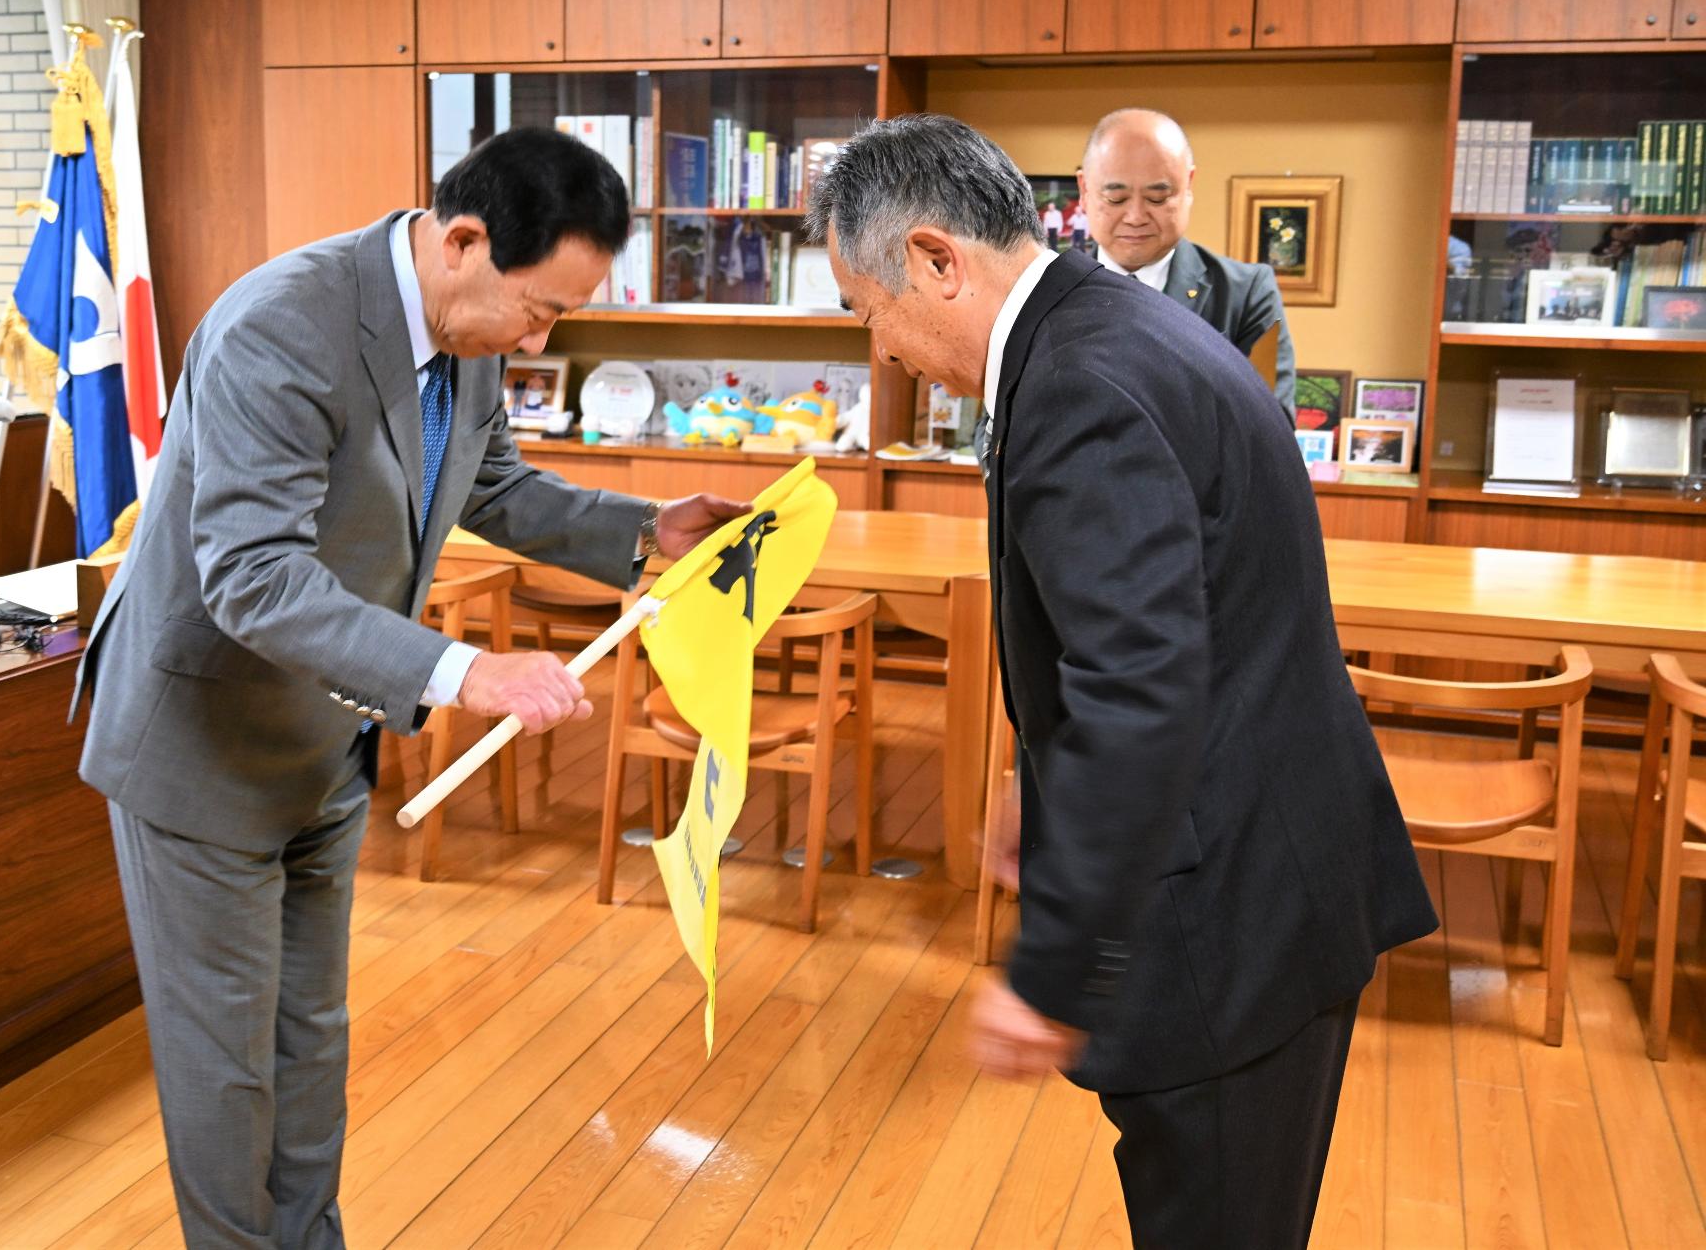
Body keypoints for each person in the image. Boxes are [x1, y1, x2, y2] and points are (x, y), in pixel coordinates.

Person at [72, 127, 748, 1247]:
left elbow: (490, 483)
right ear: (464, 240)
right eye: (541, 310)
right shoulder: (280, 324)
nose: (543, 337)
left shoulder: (465, 323)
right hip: (202, 741)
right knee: (226, 1065)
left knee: (309, 1043)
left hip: (322, 738)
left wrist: (646, 532)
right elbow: (251, 573)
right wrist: (464, 669)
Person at [807, 114, 1436, 1249]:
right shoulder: (1118, 329)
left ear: (935, 261)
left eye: (870, 312)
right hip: (1275, 861)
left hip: (1230, 913)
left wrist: (1045, 967)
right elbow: (1136, 637)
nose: (883, 349)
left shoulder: (1076, 387)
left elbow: (1137, 691)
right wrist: (1034, 782)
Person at [1078, 108, 1298, 419]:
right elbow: (997, 429)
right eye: (1117, 198)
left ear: (1189, 185)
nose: (1136, 217)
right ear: (1084, 190)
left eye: (1158, 198)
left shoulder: (1245, 294)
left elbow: (1271, 427)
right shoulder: (1045, 295)